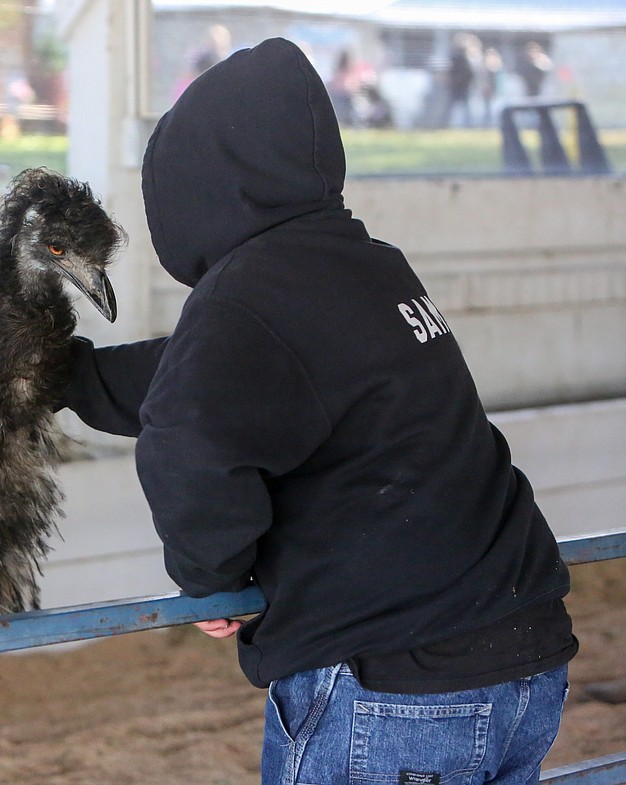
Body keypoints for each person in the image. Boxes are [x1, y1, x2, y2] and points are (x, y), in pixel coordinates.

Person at [58, 37, 576, 783]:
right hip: (522, 656)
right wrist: (69, 376)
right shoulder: (367, 264)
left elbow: (187, 438)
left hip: (397, 679)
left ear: (196, 183)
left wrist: (213, 578)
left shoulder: (243, 296)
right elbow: (203, 382)